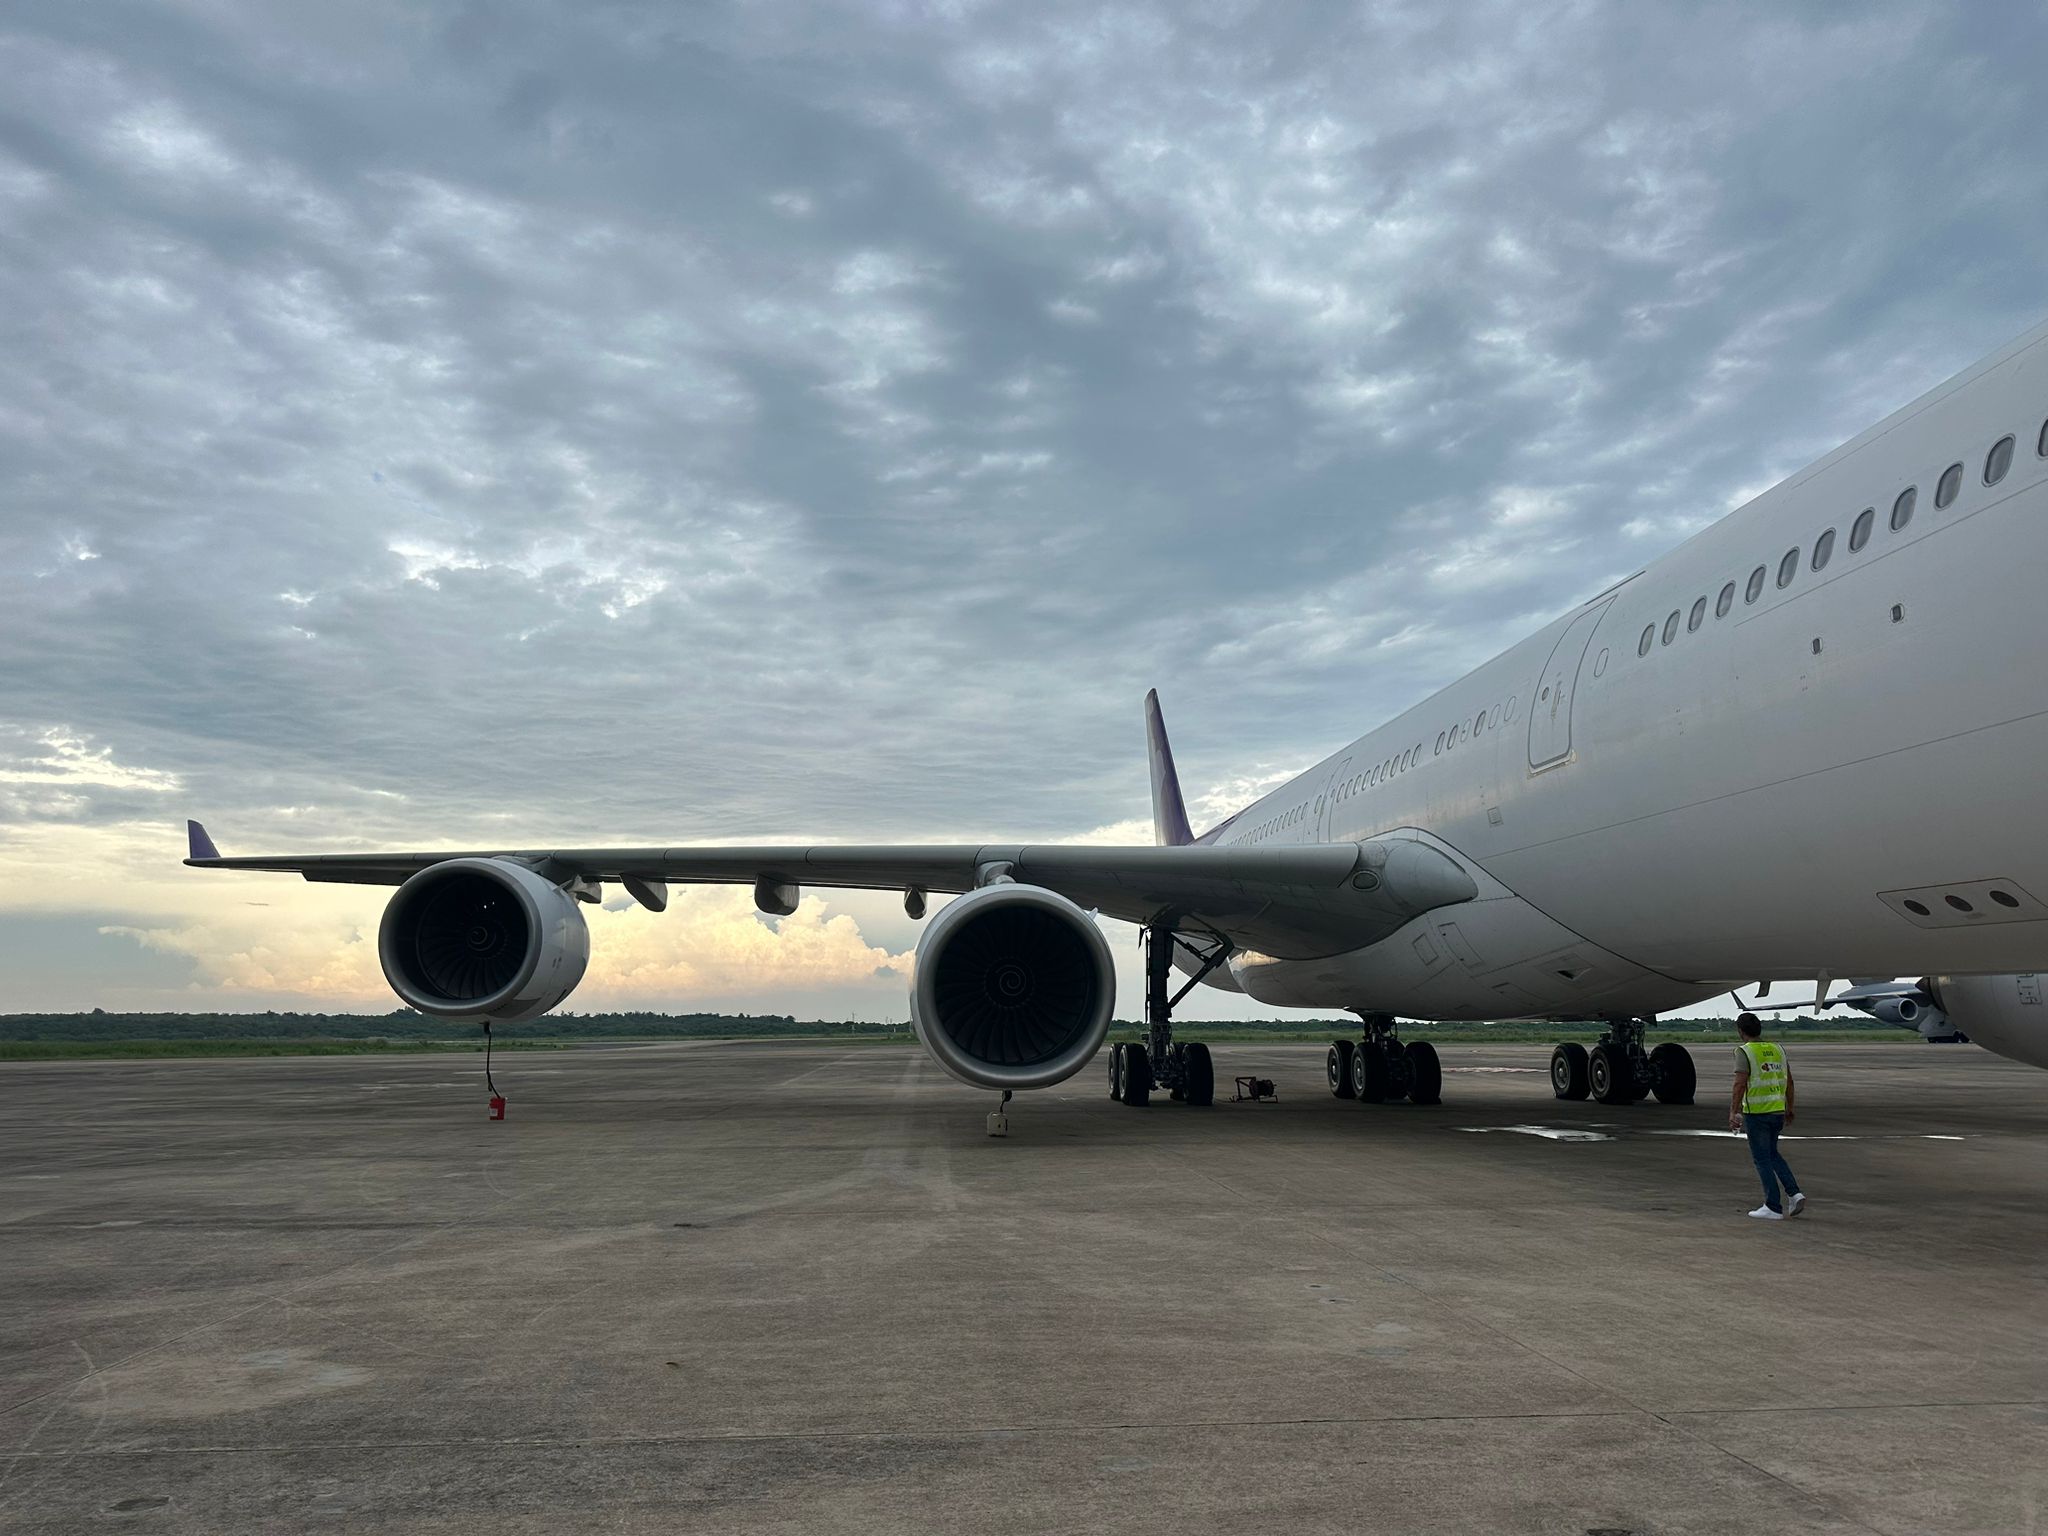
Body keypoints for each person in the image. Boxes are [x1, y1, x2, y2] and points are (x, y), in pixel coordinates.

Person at [1731, 1013, 1805, 1220]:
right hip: (1777, 1111)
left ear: (1740, 1031)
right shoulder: (1777, 1049)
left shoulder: (1744, 1051)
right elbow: (1789, 1081)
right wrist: (1790, 1107)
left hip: (1757, 1113)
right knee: (1772, 1154)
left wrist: (1733, 1111)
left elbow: (1739, 1084)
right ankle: (1794, 1193)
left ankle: (1773, 1206)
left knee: (1761, 1159)